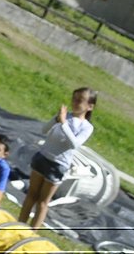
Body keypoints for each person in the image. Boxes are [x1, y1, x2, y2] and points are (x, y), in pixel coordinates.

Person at [18, 86, 97, 229]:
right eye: (74, 98)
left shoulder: (86, 127)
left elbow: (74, 144)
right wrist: (56, 119)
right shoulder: (65, 116)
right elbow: (44, 130)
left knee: (42, 202)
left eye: (80, 100)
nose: (74, 102)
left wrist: (63, 123)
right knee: (31, 195)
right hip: (43, 157)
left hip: (58, 165)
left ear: (90, 106)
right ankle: (19, 225)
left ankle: (31, 232)